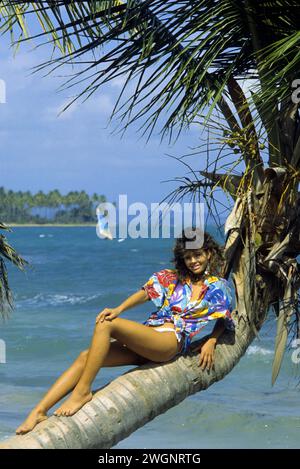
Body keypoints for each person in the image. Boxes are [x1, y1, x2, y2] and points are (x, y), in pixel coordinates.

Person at [15, 228, 234, 435]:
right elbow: (145, 293)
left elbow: (225, 316)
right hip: (147, 339)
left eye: (197, 255)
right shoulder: (172, 278)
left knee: (107, 324)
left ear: (208, 253)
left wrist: (212, 341)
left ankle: (82, 392)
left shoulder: (217, 286)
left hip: (168, 342)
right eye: (188, 257)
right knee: (86, 356)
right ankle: (38, 411)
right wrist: (119, 308)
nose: (193, 261)